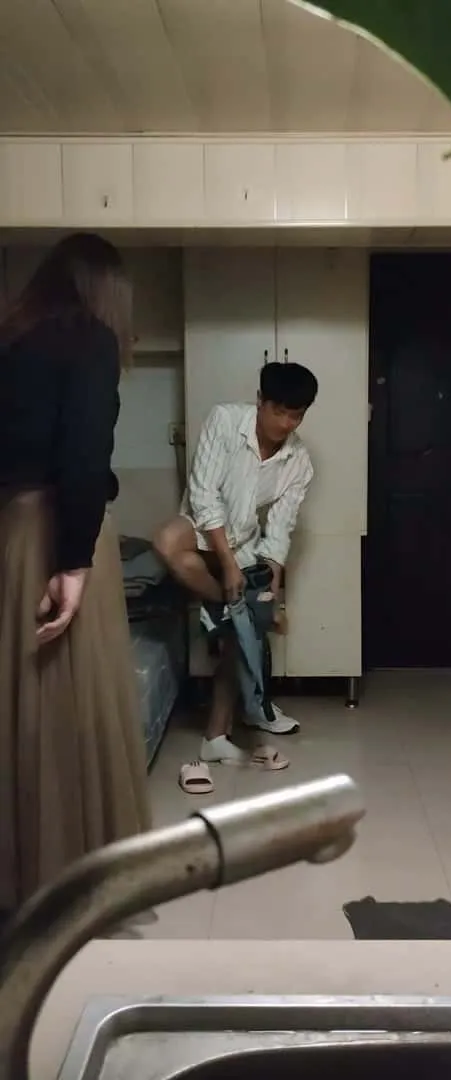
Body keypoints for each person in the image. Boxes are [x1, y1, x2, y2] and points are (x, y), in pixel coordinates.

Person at [0, 233, 151, 918]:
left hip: (10, 530)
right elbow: (84, 457)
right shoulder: (89, 341)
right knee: (70, 705)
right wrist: (73, 561)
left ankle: (20, 878)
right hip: (58, 532)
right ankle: (77, 883)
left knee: (21, 708)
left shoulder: (12, 339)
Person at [154, 362, 318, 786]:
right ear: (260, 401)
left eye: (297, 416)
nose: (286, 424)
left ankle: (216, 737)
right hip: (201, 529)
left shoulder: (298, 461)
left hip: (243, 543)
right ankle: (233, 605)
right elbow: (203, 494)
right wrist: (227, 566)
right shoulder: (225, 420)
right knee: (167, 543)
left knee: (236, 635)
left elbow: (279, 529)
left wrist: (271, 584)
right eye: (279, 411)